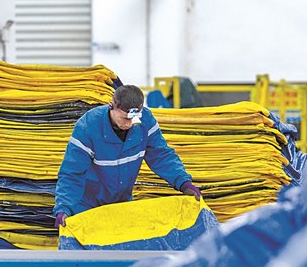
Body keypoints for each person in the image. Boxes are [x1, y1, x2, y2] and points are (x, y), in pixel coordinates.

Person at [53, 84, 201, 227]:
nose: (129, 124)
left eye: (133, 119)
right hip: (87, 207)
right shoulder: (88, 127)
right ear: (112, 105)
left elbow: (162, 156)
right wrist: (64, 208)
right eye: (125, 118)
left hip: (121, 205)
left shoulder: (145, 122)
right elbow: (72, 172)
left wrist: (184, 182)